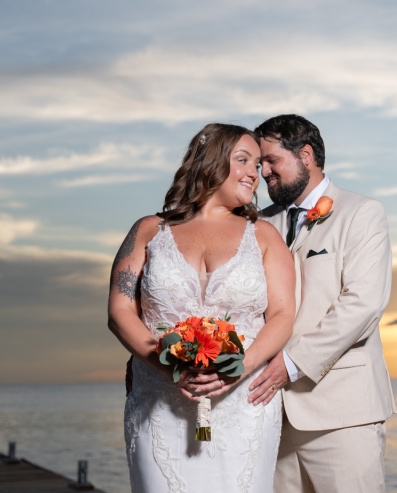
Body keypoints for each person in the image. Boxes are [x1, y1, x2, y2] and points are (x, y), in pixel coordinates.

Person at [108, 123, 295, 493]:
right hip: (158, 402)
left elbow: (283, 315)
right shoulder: (149, 230)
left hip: (244, 405)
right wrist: (166, 367)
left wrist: (237, 372)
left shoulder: (264, 235)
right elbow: (119, 311)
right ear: (210, 161)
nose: (254, 174)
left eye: (257, 165)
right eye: (243, 160)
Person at [246, 114, 397, 492]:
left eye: (271, 161)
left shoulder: (362, 213)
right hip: (270, 413)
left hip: (342, 414)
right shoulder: (258, 224)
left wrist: (292, 364)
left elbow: (362, 305)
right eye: (259, 163)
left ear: (307, 155)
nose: (263, 172)